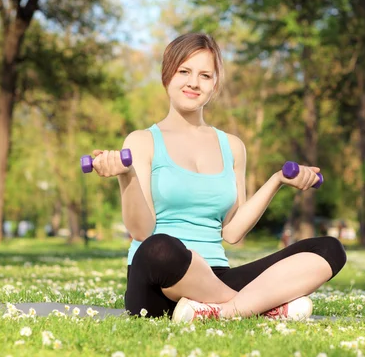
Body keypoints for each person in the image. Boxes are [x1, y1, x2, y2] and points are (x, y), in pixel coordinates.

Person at [91, 33, 346, 322]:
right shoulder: (142, 141)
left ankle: (221, 311)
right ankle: (256, 306)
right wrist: (127, 177)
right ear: (167, 75)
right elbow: (141, 232)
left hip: (217, 277)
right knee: (159, 246)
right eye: (184, 71)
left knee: (328, 249)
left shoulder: (233, 146)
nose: (193, 83)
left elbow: (232, 233)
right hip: (159, 281)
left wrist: (276, 181)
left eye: (205, 75)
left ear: (214, 84)